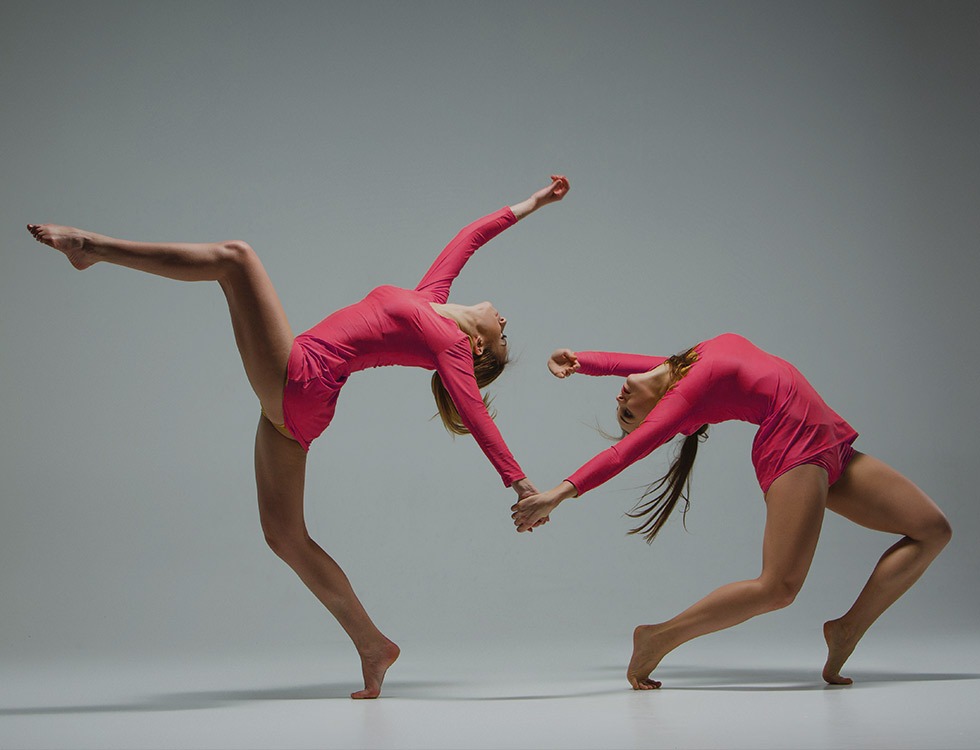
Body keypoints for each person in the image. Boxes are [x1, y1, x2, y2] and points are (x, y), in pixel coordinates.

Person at [27, 174, 569, 699]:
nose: (506, 320)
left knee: (235, 259)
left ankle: (91, 247)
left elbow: (476, 415)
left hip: (303, 379)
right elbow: (470, 236)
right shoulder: (432, 297)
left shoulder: (449, 345)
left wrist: (520, 484)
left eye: (505, 336)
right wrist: (533, 203)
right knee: (284, 535)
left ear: (478, 350)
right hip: (304, 396)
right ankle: (373, 644)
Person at [511, 332, 950, 689]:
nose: (620, 399)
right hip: (794, 442)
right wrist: (557, 494)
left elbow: (638, 362)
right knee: (778, 587)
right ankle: (656, 638)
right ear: (661, 416)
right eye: (629, 413)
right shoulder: (684, 395)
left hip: (825, 437)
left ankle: (848, 628)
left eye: (620, 408)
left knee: (931, 529)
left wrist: (582, 360)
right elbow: (621, 455)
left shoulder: (685, 364)